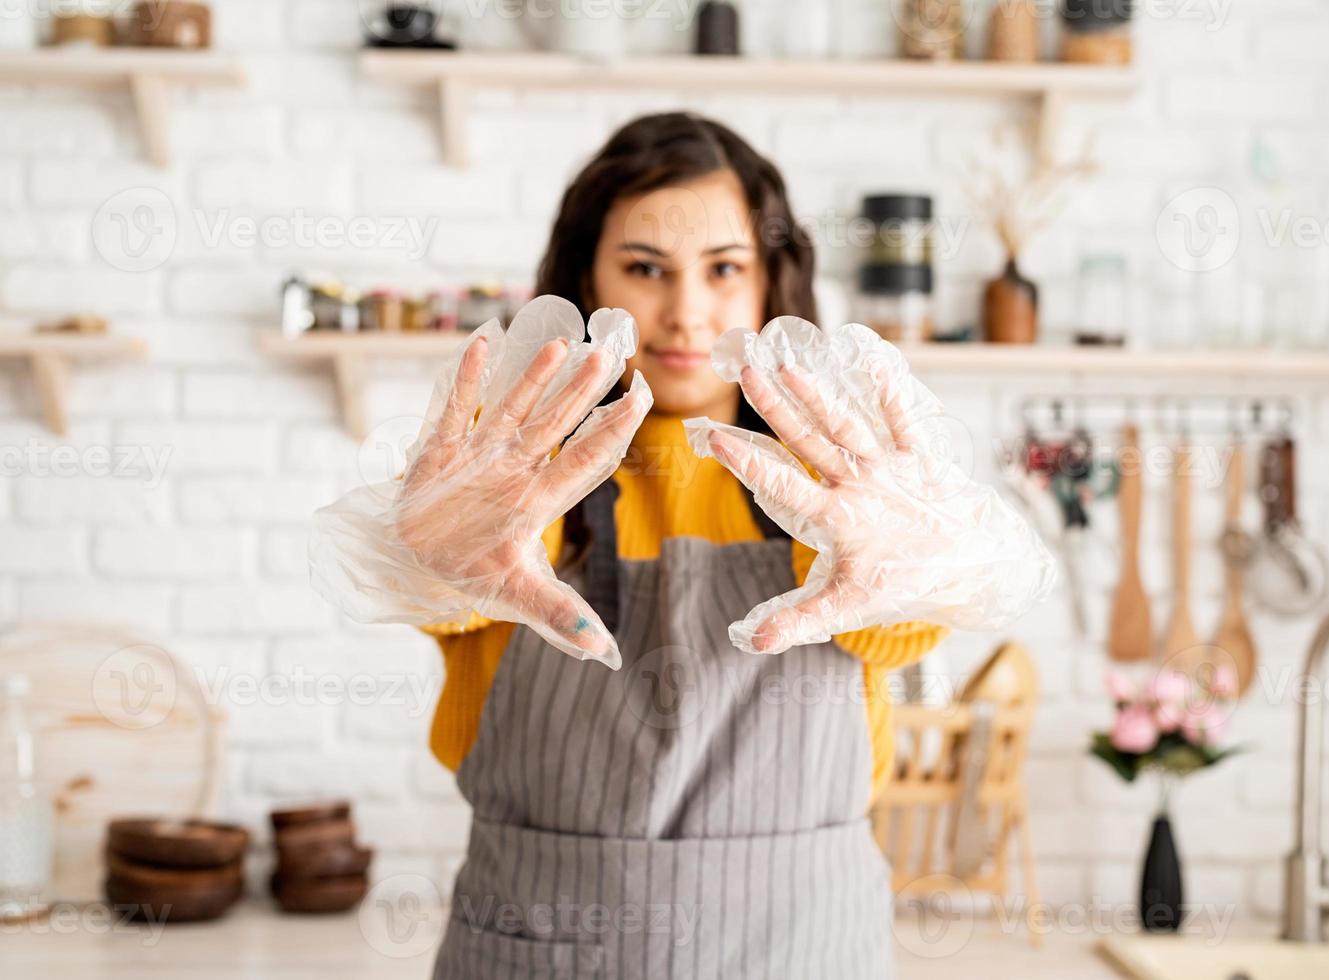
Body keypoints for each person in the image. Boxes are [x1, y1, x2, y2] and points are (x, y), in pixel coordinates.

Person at [356, 112, 1047, 979]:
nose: (685, 312)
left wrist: (904, 570)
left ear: (769, 284)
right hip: (542, 939)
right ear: (587, 279)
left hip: (799, 942)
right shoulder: (518, 477)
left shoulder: (831, 484)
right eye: (645, 269)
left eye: (723, 270)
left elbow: (890, 637)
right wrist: (431, 558)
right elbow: (453, 605)